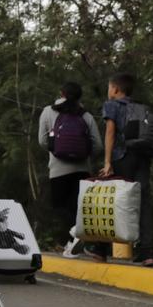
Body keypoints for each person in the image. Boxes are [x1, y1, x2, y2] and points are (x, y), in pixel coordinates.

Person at [93, 73, 153, 266]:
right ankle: (147, 253)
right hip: (142, 159)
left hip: (122, 157)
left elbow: (110, 132)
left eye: (109, 87)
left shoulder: (111, 105)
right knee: (143, 203)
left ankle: (100, 250)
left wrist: (107, 162)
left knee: (110, 201)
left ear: (115, 89)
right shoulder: (141, 107)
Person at [37, 81, 102, 257]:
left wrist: (57, 149)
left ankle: (75, 233)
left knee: (60, 207)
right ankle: (72, 243)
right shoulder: (86, 115)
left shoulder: (48, 111)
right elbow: (97, 145)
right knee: (77, 207)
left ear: (61, 93)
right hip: (82, 169)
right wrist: (83, 154)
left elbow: (42, 141)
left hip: (58, 169)